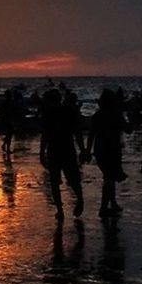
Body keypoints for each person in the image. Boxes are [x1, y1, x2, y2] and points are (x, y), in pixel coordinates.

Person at [39, 89, 84, 221]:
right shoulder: (69, 112)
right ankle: (79, 200)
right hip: (67, 149)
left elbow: (45, 135)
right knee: (73, 179)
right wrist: (82, 149)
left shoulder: (48, 114)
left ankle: (60, 210)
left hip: (55, 150)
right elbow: (77, 132)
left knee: (55, 182)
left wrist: (42, 152)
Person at [87, 88, 131, 218]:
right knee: (109, 178)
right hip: (113, 149)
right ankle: (103, 207)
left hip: (99, 150)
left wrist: (87, 151)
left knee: (109, 177)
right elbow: (128, 130)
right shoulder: (116, 115)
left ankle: (112, 203)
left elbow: (91, 135)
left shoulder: (97, 115)